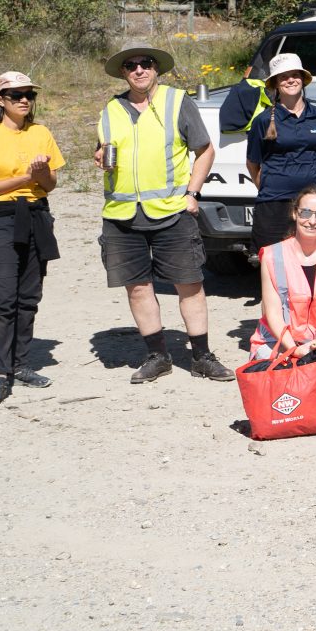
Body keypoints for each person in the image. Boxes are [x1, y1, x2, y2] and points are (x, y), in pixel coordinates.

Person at [95, 44, 232, 384]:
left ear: (156, 69)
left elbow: (205, 150)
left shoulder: (176, 101)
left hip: (172, 211)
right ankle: (158, 356)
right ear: (124, 73)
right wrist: (99, 156)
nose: (139, 70)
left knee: (190, 284)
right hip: (122, 214)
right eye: (131, 66)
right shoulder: (111, 109)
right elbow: (104, 150)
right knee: (138, 288)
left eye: (145, 64)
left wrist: (192, 193)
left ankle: (201, 356)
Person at [0, 71, 64, 407]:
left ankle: (20, 365)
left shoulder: (41, 133)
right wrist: (25, 176)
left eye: (29, 94)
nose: (24, 100)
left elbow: (50, 184)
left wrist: (41, 177)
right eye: (16, 94)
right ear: (0, 100)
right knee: (3, 297)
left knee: (29, 296)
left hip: (36, 216)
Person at [247, 186, 316, 390]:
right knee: (281, 374)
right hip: (278, 340)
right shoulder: (271, 255)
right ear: (295, 213)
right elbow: (273, 315)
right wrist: (295, 349)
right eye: (306, 213)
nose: (313, 221)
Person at [244, 53, 316, 254]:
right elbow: (252, 164)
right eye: (283, 76)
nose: (290, 80)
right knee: (274, 267)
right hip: (274, 204)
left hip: (313, 203)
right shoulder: (263, 121)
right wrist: (272, 186)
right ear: (276, 84)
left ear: (303, 79)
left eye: (295, 75)